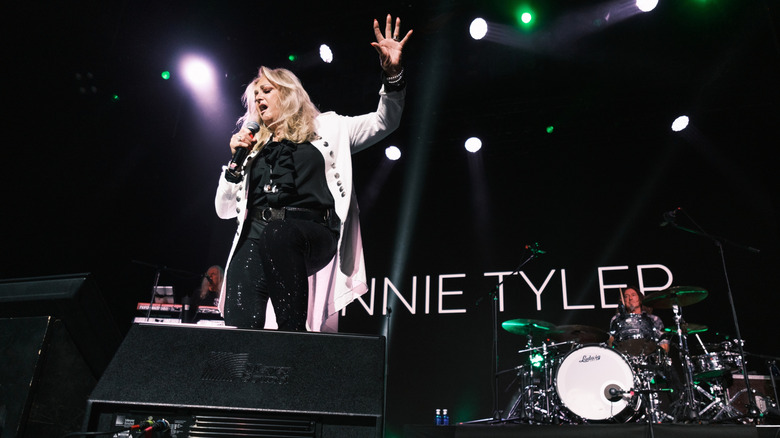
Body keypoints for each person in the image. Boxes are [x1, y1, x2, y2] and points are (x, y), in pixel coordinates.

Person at [214, 15, 412, 332]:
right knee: (241, 315)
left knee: (279, 235)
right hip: (257, 233)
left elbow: (384, 121)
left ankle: (295, 340)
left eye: (266, 90)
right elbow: (224, 210)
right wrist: (234, 165)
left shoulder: (329, 127)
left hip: (310, 232)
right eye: (255, 95)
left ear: (288, 93)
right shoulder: (252, 147)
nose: (259, 98)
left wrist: (393, 75)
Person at [608, 287, 670, 355]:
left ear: (640, 299)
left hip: (648, 358)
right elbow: (611, 342)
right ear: (623, 301)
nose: (630, 298)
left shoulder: (653, 319)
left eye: (633, 295)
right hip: (625, 359)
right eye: (626, 296)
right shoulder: (617, 319)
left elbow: (664, 344)